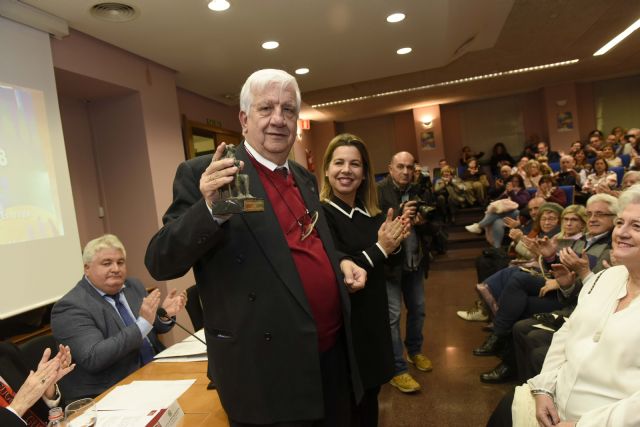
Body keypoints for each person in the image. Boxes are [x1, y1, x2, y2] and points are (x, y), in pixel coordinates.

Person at [145, 69, 367, 426]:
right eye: (266, 109)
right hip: (265, 373)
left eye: (288, 110)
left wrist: (339, 262)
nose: (278, 119)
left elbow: (306, 240)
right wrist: (209, 211)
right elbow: (160, 261)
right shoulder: (215, 173)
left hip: (330, 356)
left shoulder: (304, 177)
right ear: (244, 119)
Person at [488, 185, 640, 427]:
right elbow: (568, 332)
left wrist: (582, 425)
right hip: (556, 405)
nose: (621, 232)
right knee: (506, 408)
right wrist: (545, 388)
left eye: (636, 226)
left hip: (602, 421)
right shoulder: (605, 278)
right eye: (620, 222)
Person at [320, 134, 408, 426]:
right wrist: (381, 248)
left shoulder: (373, 214)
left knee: (371, 402)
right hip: (343, 330)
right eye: (339, 162)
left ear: (364, 173)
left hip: (374, 321)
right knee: (347, 409)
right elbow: (337, 269)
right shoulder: (320, 216)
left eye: (355, 164)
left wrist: (394, 244)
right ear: (327, 169)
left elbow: (386, 264)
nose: (346, 170)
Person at [51, 234, 185, 402]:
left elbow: (148, 329)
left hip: (156, 369)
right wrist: (143, 324)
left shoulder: (132, 286)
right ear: (87, 268)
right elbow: (94, 357)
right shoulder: (70, 307)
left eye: (120, 262)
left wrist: (164, 315)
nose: (116, 268)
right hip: (112, 389)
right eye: (107, 263)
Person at [377, 151, 432, 393]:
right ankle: (397, 369)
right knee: (392, 318)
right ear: (390, 168)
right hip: (390, 266)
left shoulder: (419, 189)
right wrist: (400, 213)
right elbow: (376, 223)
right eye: (400, 166)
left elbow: (435, 223)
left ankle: (415, 351)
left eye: (410, 167)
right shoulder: (378, 191)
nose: (406, 172)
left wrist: (422, 221)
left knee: (418, 310)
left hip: (415, 262)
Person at [0, 343, 74, 427]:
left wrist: (47, 392)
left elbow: (46, 415)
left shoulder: (5, 351)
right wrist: (18, 407)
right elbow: (22, 403)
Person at [465, 174, 531, 248]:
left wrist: (512, 193)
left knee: (509, 212)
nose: (514, 183)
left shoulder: (524, 192)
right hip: (504, 215)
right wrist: (504, 194)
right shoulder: (507, 191)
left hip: (518, 214)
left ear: (520, 182)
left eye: (516, 181)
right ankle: (497, 247)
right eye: (512, 181)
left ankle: (480, 226)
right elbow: (495, 203)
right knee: (498, 221)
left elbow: (521, 203)